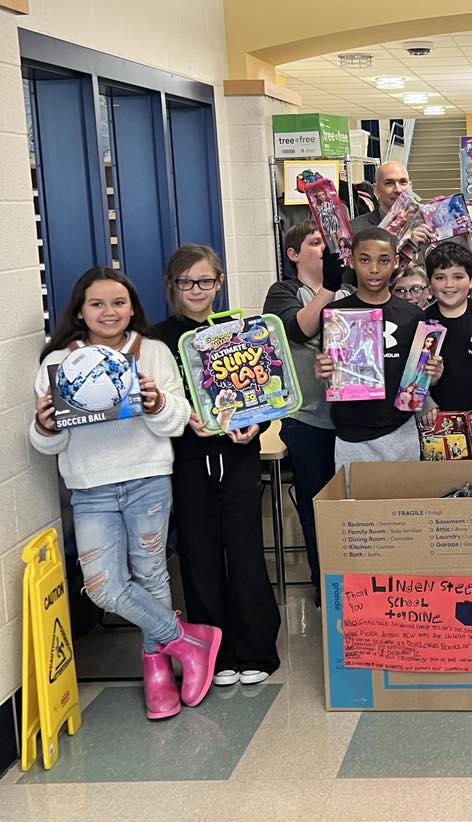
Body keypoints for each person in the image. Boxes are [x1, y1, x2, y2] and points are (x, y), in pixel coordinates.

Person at [30, 267, 219, 721]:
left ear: (132, 306)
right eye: (97, 304)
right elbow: (45, 444)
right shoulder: (58, 364)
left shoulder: (151, 352)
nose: (109, 312)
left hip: (147, 479)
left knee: (152, 575)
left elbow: (177, 422)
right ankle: (190, 642)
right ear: (79, 311)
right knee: (103, 588)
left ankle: (157, 667)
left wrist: (158, 404)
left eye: (118, 302)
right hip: (89, 487)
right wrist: (44, 424)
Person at [158, 245, 280, 687]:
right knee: (200, 553)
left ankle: (256, 648)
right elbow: (154, 403)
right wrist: (182, 420)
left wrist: (256, 426)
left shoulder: (239, 331)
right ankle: (214, 649)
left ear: (220, 283)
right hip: (187, 460)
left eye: (205, 281)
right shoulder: (156, 340)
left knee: (246, 550)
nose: (196, 290)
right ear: (173, 285)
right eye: (187, 282)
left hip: (239, 456)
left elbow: (266, 389)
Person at [263, 219, 352, 606]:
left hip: (354, 420)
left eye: (328, 242)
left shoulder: (350, 290)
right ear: (294, 254)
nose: (324, 248)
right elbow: (297, 330)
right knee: (317, 508)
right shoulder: (283, 292)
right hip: (308, 420)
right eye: (316, 242)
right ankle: (326, 586)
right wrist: (328, 289)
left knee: (352, 506)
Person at [315, 227, 443, 466]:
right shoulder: (336, 314)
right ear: (351, 261)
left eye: (383, 260)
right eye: (365, 260)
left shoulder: (413, 316)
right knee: (355, 503)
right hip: (350, 436)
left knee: (404, 503)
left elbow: (421, 379)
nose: (374, 269)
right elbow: (330, 374)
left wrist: (433, 374)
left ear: (396, 261)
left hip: (400, 431)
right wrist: (323, 370)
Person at [424, 241, 472, 458]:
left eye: (458, 276)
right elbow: (408, 381)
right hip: (437, 431)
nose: (449, 285)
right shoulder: (420, 323)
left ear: (470, 281)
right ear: (430, 283)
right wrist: (426, 391)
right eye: (440, 277)